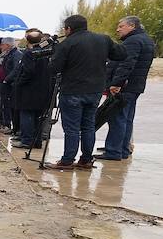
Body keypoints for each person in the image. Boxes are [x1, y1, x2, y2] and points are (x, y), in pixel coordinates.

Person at [46, 15, 126, 170]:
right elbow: (121, 54)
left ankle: (67, 160)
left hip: (72, 91)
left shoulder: (67, 43)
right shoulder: (103, 39)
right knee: (88, 126)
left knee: (72, 128)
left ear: (68, 28)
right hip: (95, 90)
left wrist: (54, 57)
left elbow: (54, 69)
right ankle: (86, 159)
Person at [97, 16, 155, 161]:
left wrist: (117, 83)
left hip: (125, 86)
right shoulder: (146, 39)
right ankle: (122, 149)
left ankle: (114, 151)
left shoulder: (133, 41)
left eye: (121, 26)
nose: (118, 29)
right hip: (135, 85)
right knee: (127, 119)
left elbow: (127, 63)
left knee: (117, 118)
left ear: (132, 26)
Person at [11, 30, 53, 149]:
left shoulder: (29, 53)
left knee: (27, 115)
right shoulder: (45, 53)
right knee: (38, 117)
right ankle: (36, 140)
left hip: (29, 90)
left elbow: (28, 71)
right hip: (42, 89)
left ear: (27, 40)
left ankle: (27, 140)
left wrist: (19, 83)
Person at [0, 38, 22, 135]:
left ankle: (12, 127)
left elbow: (16, 69)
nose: (1, 47)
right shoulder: (7, 54)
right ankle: (6, 124)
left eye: (2, 45)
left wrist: (7, 79)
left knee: (9, 106)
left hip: (10, 84)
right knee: (4, 105)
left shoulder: (16, 54)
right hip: (5, 83)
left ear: (7, 45)